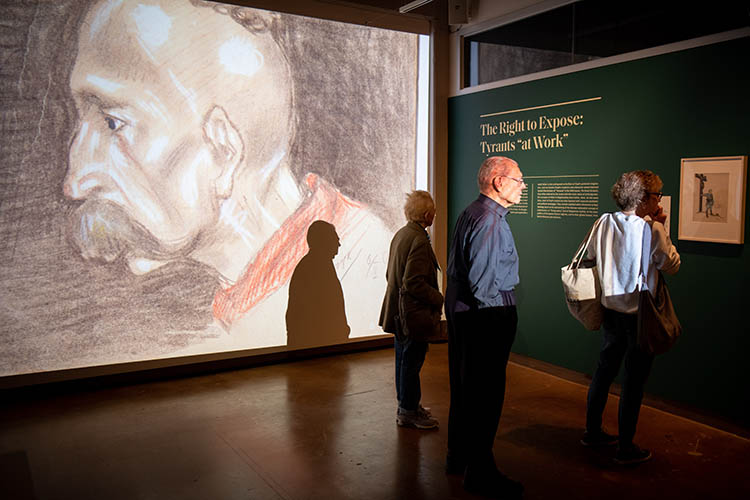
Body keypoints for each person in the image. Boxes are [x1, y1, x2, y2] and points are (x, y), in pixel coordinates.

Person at [63, 0, 392, 349]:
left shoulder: (359, 272)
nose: (75, 181)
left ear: (223, 152)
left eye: (113, 124)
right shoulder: (261, 300)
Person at [581, 170, 680, 465]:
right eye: (656, 195)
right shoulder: (652, 229)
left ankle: (592, 431)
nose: (659, 201)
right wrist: (663, 228)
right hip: (640, 314)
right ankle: (625, 447)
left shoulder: (603, 222)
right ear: (643, 198)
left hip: (610, 309)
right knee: (634, 381)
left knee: (604, 371)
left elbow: (588, 257)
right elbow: (671, 264)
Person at [445, 156, 525, 499]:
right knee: (485, 396)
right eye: (519, 179)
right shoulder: (490, 222)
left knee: (466, 390)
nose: (523, 185)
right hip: (486, 318)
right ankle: (480, 472)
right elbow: (483, 286)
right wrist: (496, 321)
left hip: (465, 315)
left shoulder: (472, 213)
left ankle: (459, 457)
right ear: (498, 182)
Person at [379, 191, 442, 430]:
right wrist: (438, 298)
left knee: (403, 360)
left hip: (399, 312)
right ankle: (408, 411)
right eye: (433, 211)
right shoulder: (418, 240)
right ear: (427, 214)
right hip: (412, 315)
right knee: (411, 363)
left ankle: (407, 405)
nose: (434, 215)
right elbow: (413, 282)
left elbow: (391, 275)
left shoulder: (401, 234)